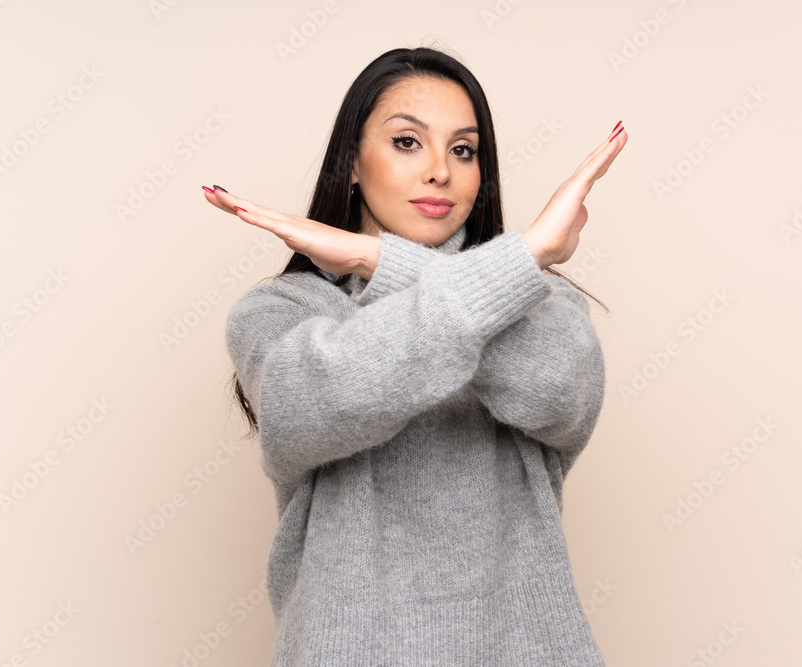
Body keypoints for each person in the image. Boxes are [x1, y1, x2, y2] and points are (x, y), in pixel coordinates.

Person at [203, 46, 626, 666]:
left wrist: (377, 259)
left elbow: (560, 395)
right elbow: (315, 400)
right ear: (351, 162)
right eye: (407, 142)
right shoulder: (280, 311)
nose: (440, 171)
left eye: (464, 150)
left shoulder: (541, 301)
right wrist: (521, 256)